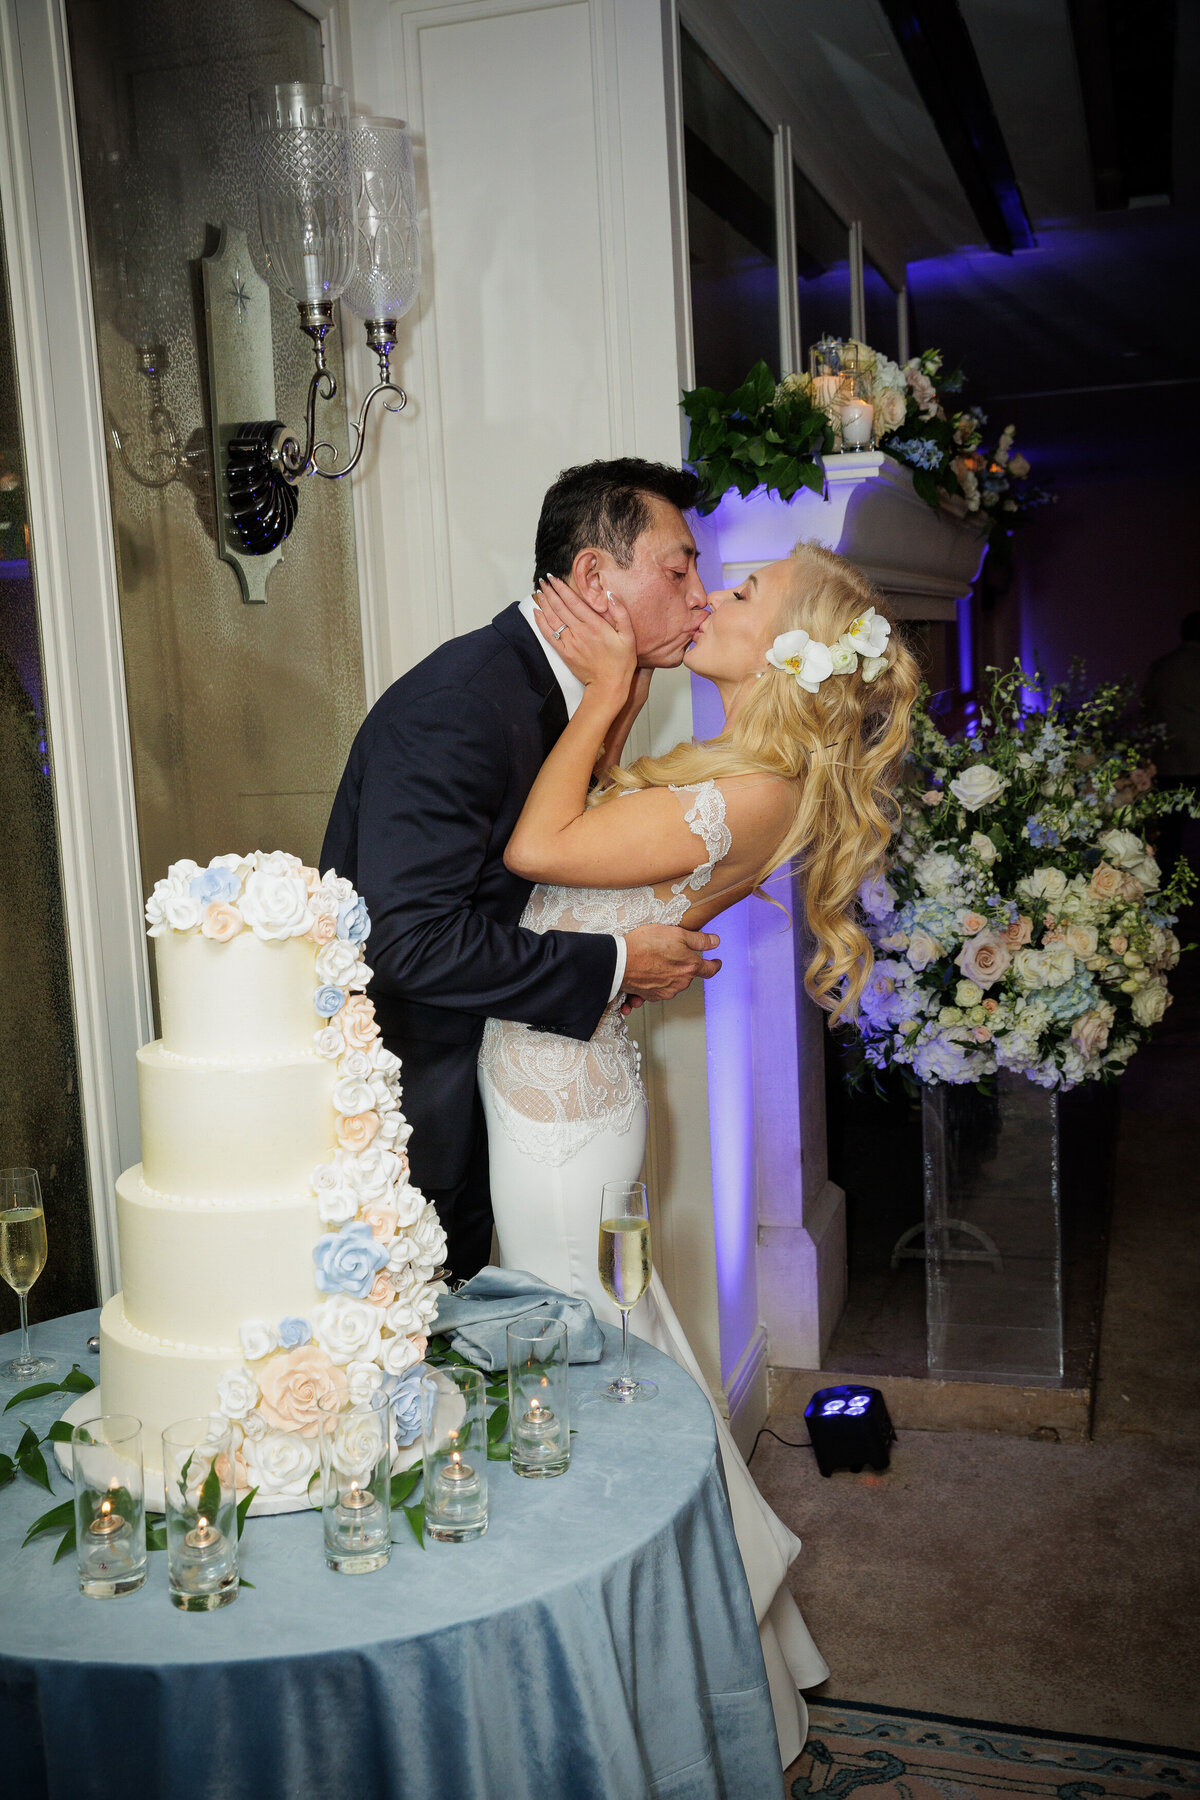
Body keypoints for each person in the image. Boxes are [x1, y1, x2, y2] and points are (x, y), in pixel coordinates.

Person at [478, 540, 921, 1765]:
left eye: (741, 594)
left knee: (586, 1365)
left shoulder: (762, 789)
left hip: (563, 1107)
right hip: (561, 1082)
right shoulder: (730, 769)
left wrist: (611, 689)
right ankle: (703, 1656)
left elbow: (539, 855)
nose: (709, 597)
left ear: (790, 654)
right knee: (612, 1354)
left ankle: (641, 1676)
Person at [320, 458, 722, 1280]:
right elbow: (406, 941)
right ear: (593, 578)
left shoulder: (569, 693)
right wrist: (614, 962)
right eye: (679, 570)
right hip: (418, 1115)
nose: (700, 596)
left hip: (502, 1095)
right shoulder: (461, 704)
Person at [1143, 610, 1200, 880]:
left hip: (1169, 760)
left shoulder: (1162, 666)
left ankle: (1165, 882)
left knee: (1170, 830)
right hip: (1197, 759)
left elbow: (1147, 708)